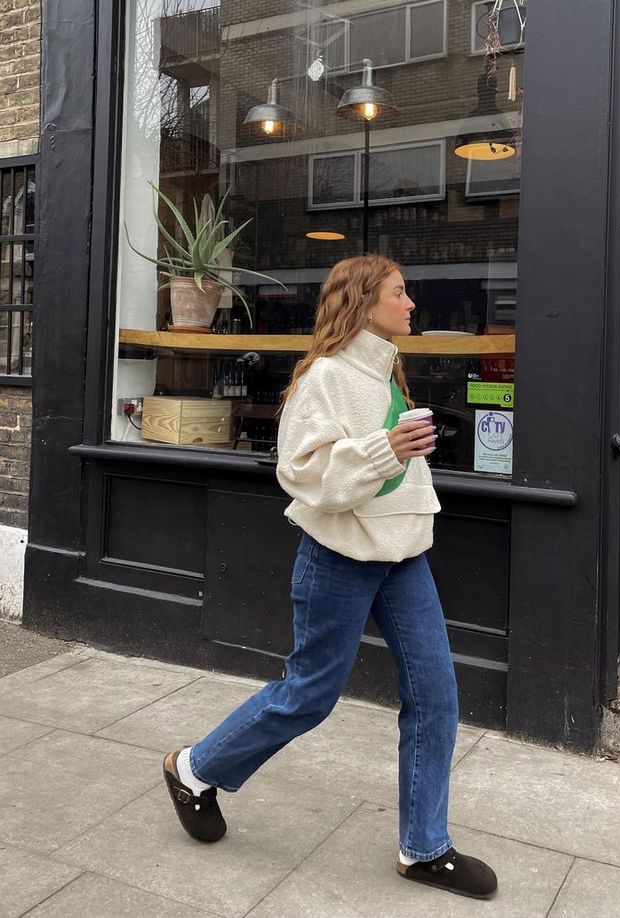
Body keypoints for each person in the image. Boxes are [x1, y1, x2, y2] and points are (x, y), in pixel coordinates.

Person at [163, 255, 498, 901]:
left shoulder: (387, 369)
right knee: (310, 694)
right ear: (364, 300)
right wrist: (385, 450)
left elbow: (390, 469)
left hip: (403, 555)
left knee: (436, 697)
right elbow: (299, 472)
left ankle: (423, 848)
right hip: (340, 556)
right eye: (400, 294)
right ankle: (195, 768)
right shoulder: (326, 376)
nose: (411, 305)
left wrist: (405, 453)